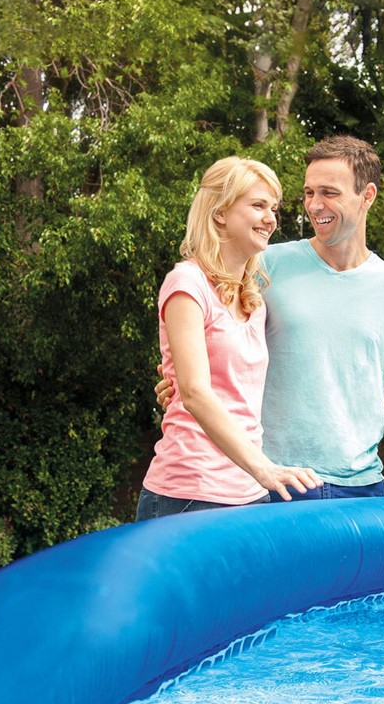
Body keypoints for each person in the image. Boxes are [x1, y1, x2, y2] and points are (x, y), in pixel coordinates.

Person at [156, 136, 384, 500]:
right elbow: (205, 342)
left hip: (363, 486)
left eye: (329, 193)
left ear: (367, 195)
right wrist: (176, 384)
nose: (314, 205)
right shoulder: (262, 265)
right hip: (273, 480)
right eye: (308, 193)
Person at [136, 156, 320, 520]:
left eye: (273, 208)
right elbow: (195, 392)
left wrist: (258, 475)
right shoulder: (186, 284)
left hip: (250, 492)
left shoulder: (253, 300)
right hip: (190, 492)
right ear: (220, 213)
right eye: (258, 205)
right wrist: (263, 468)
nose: (270, 218)